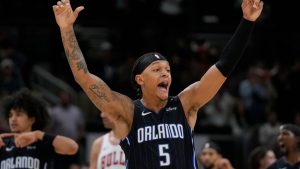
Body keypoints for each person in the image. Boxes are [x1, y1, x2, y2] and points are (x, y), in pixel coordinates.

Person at [52, 0, 263, 168]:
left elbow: (223, 67)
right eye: (157, 70)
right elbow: (84, 77)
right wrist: (66, 29)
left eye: (168, 70)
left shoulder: (185, 103)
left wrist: (247, 21)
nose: (165, 74)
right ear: (140, 79)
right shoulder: (127, 111)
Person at [0, 88, 79, 169]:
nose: (13, 119)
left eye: (19, 114)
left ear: (32, 120)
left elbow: (72, 147)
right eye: (10, 115)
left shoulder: (41, 141)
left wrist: (38, 134)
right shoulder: (3, 142)